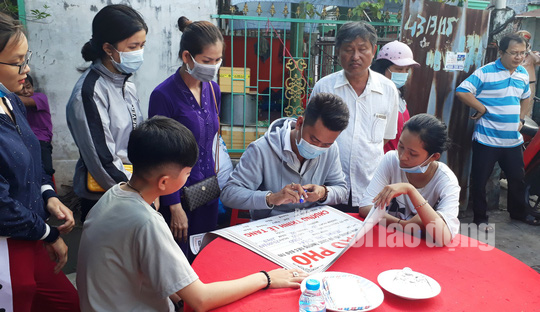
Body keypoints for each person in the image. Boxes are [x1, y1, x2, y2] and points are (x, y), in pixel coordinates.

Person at [76, 116, 307, 312]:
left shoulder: (115, 193)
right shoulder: (145, 222)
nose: (189, 177)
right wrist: (267, 278)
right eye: (187, 172)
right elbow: (200, 299)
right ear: (164, 182)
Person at [0, 12, 79, 311]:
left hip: (30, 234)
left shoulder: (12, 101)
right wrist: (50, 233)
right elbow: (3, 206)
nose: (27, 68)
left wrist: (47, 194)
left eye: (26, 57)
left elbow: (30, 162)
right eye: (17, 61)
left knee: (67, 303)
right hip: (8, 244)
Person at [148, 16, 223, 261]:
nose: (213, 67)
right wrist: (173, 204)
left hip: (207, 192)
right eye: (207, 61)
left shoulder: (213, 89)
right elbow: (159, 154)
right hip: (177, 196)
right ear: (187, 57)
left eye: (218, 60)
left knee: (205, 257)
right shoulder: (163, 95)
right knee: (178, 261)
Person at [66, 4, 146, 222]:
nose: (139, 52)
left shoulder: (127, 85)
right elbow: (103, 161)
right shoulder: (89, 93)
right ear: (109, 49)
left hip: (134, 190)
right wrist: (140, 192)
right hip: (107, 197)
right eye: (133, 46)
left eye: (142, 45)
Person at [310, 21, 400, 212]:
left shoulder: (388, 90)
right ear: (338, 51)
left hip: (370, 186)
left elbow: (385, 137)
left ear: (373, 50)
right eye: (349, 49)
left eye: (362, 49)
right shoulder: (324, 88)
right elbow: (311, 134)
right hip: (328, 186)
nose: (355, 56)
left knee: (367, 239)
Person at [456, 33, 540, 230]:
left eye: (522, 53)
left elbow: (526, 97)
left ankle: (518, 213)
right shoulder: (486, 72)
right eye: (513, 53)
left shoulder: (522, 74)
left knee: (517, 180)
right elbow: (462, 91)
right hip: (487, 139)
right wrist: (482, 108)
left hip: (512, 141)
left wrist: (520, 118)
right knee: (480, 180)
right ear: (501, 52)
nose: (518, 57)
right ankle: (480, 218)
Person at [221, 92, 349, 220]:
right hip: (269, 229)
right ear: (299, 123)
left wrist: (323, 193)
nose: (318, 147)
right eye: (314, 140)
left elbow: (342, 190)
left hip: (312, 226)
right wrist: (271, 198)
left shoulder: (331, 150)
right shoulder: (261, 150)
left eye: (326, 144)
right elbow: (229, 194)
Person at [359, 114, 460, 247]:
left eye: (412, 153)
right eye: (400, 146)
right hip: (387, 243)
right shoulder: (391, 160)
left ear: (433, 156)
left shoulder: (446, 180)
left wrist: (410, 190)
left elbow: (443, 238)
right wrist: (404, 225)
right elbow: (366, 207)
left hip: (423, 252)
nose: (402, 157)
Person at [371, 40, 420, 153]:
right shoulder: (375, 95)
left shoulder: (399, 95)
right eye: (398, 69)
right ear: (383, 68)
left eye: (406, 70)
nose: (403, 73)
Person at [15, 74, 55, 178]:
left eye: (28, 87)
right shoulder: (13, 102)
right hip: (23, 141)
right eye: (22, 88)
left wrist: (5, 96)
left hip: (41, 140)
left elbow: (26, 102)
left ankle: (48, 190)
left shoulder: (40, 97)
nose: (26, 91)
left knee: (46, 170)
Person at [516, 30, 540, 116]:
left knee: (526, 110)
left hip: (529, 84)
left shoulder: (533, 54)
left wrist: (529, 51)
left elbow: (538, 60)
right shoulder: (515, 54)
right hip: (516, 83)